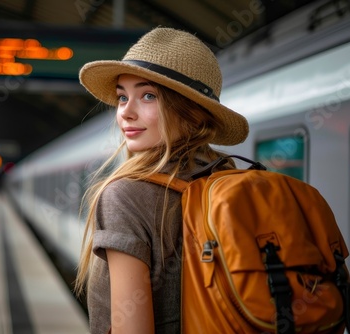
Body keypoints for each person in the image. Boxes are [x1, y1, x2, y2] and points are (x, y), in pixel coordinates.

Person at [74, 27, 249, 333]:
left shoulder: (125, 196)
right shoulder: (232, 180)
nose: (125, 112)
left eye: (148, 96)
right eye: (122, 97)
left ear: (193, 114)